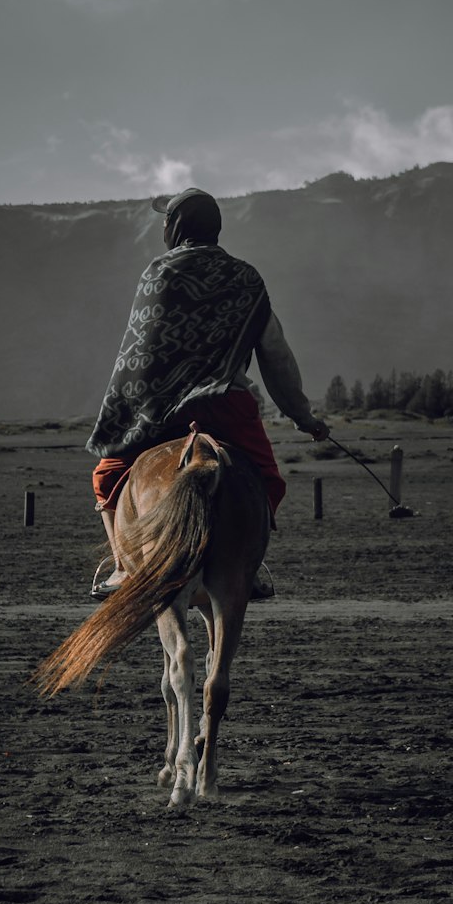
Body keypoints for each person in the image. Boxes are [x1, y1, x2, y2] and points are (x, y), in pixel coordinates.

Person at [86, 186, 329, 597]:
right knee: (267, 480)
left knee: (107, 477)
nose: (163, 225)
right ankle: (246, 570)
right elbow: (276, 356)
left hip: (156, 412)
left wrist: (123, 414)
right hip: (226, 406)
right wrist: (302, 416)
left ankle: (125, 569)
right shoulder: (246, 278)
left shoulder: (158, 274)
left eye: (166, 219)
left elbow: (137, 355)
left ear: (175, 226)